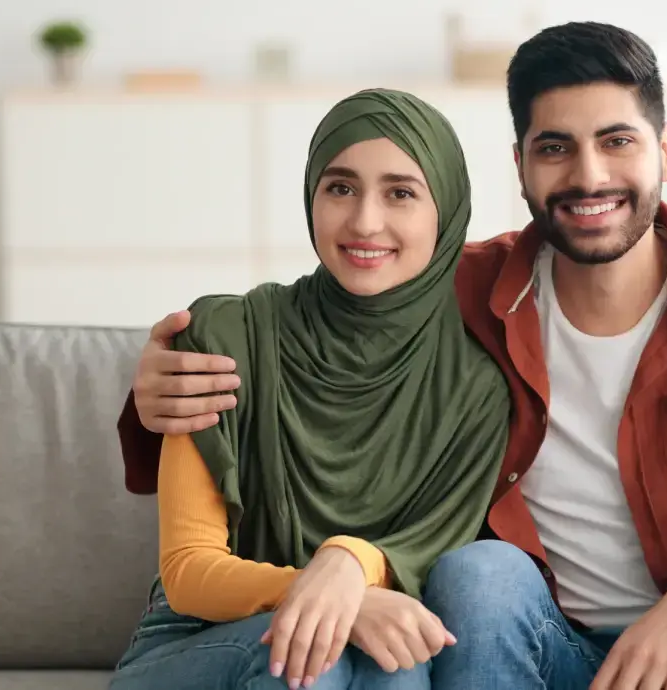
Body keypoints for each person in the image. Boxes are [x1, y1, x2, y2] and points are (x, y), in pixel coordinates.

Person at [118, 22, 667, 690]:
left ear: (666, 148)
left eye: (617, 141)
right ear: (521, 165)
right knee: (478, 575)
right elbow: (324, 316)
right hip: (537, 641)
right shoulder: (453, 290)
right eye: (556, 147)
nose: (589, 174)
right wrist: (155, 389)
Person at [109, 88, 511, 690]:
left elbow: (427, 547)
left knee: (393, 668)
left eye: (400, 193)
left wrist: (349, 566)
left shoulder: (477, 385)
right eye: (340, 188)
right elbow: (189, 571)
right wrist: (328, 594)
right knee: (312, 661)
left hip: (364, 644)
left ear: (445, 211)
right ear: (311, 197)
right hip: (199, 641)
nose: (364, 221)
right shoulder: (225, 336)